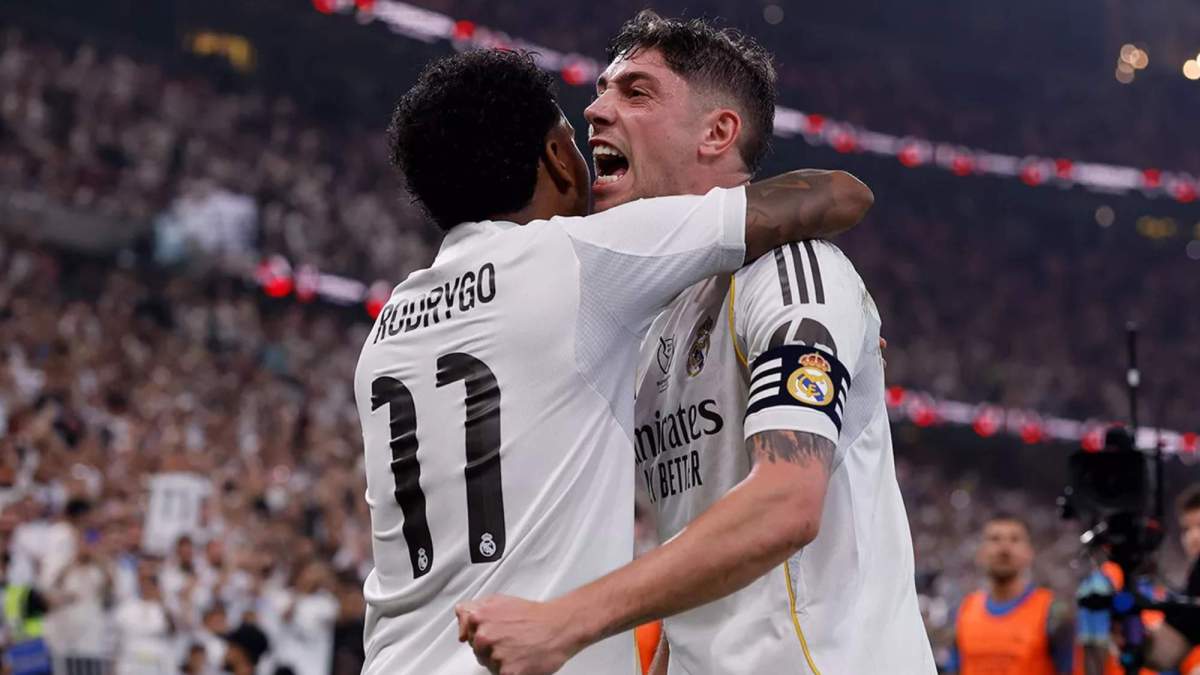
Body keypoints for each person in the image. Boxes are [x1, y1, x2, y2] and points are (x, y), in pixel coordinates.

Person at [357, 48, 871, 674]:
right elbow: (839, 194)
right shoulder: (576, 258)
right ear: (555, 159)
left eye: (632, 93)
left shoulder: (388, 327)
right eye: (571, 134)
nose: (594, 117)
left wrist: (832, 337)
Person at [456, 12, 930, 675]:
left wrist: (564, 621)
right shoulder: (652, 323)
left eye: (636, 91)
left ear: (718, 131)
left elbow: (788, 502)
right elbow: (701, 582)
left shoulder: (794, 272)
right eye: (601, 89)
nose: (594, 109)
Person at [947, 514, 1073, 675]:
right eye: (994, 539)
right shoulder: (963, 612)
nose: (1004, 548)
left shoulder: (1053, 613)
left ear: (1029, 552)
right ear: (981, 552)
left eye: (1015, 539)